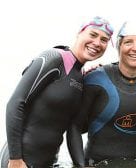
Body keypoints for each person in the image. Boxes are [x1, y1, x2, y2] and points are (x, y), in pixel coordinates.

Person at [1, 16, 114, 168]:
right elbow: (15, 103)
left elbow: (75, 128)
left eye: (104, 40)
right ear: (79, 33)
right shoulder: (54, 58)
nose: (97, 43)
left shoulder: (81, 77)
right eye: (93, 35)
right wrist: (15, 160)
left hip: (48, 162)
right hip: (19, 161)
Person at [67, 21, 136, 167]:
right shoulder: (96, 79)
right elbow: (74, 127)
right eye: (128, 42)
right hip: (96, 164)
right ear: (118, 47)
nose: (135, 48)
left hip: (135, 164)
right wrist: (81, 165)